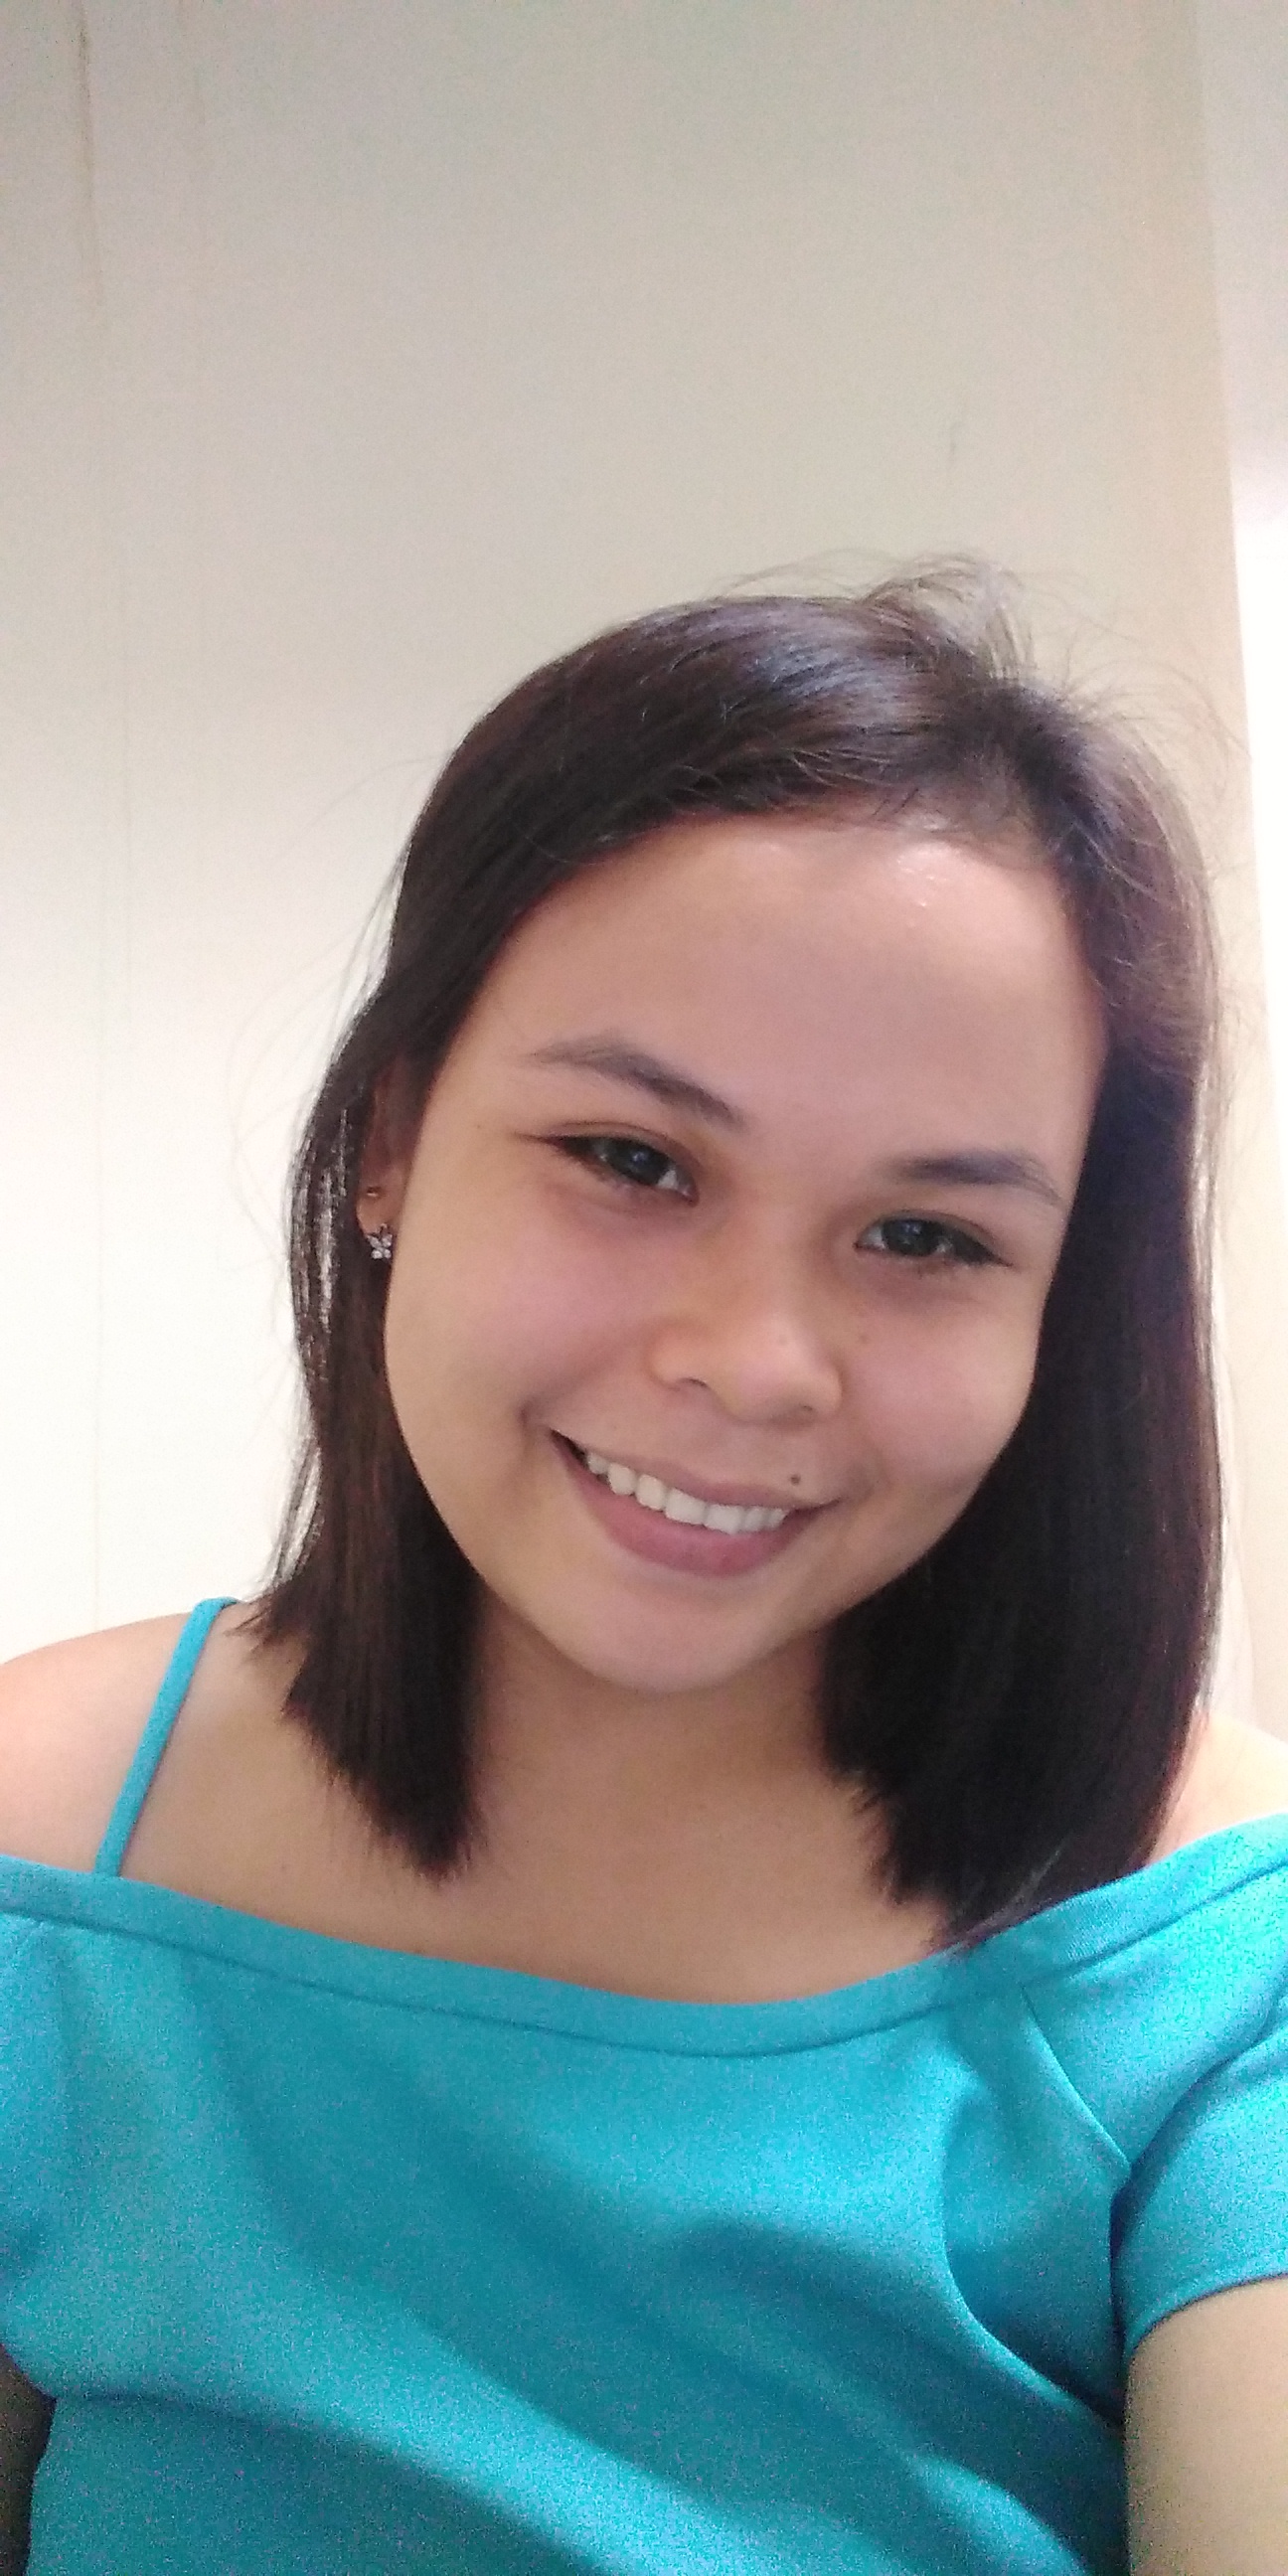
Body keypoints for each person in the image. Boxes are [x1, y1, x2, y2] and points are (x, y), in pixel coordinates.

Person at [1, 566, 1286, 2575]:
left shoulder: (1218, 1961)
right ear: (393, 1138)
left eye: (929, 1238)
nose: (757, 1362)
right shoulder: (45, 1854)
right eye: (633, 1159)